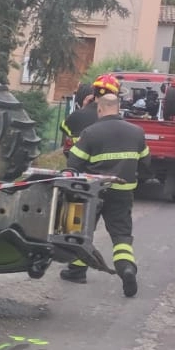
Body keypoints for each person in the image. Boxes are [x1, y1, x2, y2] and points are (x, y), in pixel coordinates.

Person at [62, 93, 152, 297]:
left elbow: (73, 164)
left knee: (83, 231)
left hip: (94, 192)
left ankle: (76, 271)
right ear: (118, 108)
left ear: (100, 109)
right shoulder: (137, 132)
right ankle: (126, 268)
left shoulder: (91, 133)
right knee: (121, 234)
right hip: (123, 192)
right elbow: (146, 163)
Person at [61, 74, 121, 143]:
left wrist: (83, 109)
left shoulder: (77, 115)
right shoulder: (118, 123)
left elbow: (63, 127)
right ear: (114, 96)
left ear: (94, 92)